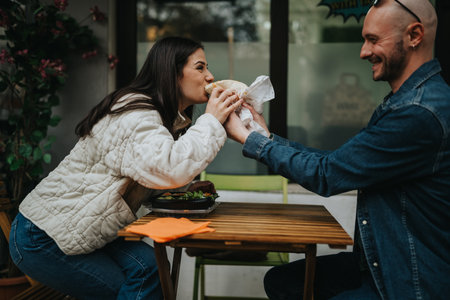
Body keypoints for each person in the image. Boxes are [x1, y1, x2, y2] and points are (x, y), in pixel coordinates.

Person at [224, 0, 450, 299]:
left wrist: (252, 141)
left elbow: (328, 175)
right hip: (380, 260)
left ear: (415, 35)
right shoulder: (411, 101)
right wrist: (267, 137)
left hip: (408, 280)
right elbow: (339, 163)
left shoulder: (417, 112)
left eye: (373, 40)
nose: (363, 52)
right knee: (283, 281)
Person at [9, 36, 242, 300]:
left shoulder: (161, 117)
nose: (210, 76)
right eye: (200, 67)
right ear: (172, 73)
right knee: (133, 289)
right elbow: (169, 168)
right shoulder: (135, 114)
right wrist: (211, 120)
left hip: (87, 232)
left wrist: (187, 189)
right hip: (43, 237)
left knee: (152, 268)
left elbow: (147, 174)